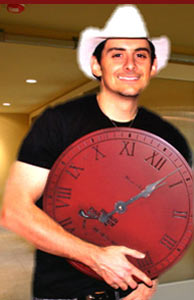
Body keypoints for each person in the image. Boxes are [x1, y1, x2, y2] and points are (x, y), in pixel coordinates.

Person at [0, 5, 192, 300]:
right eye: (117, 54)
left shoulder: (167, 136)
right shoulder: (58, 123)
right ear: (96, 65)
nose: (130, 64)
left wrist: (149, 278)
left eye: (140, 55)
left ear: (151, 68)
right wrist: (94, 255)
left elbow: (168, 218)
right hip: (63, 295)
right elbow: (14, 211)